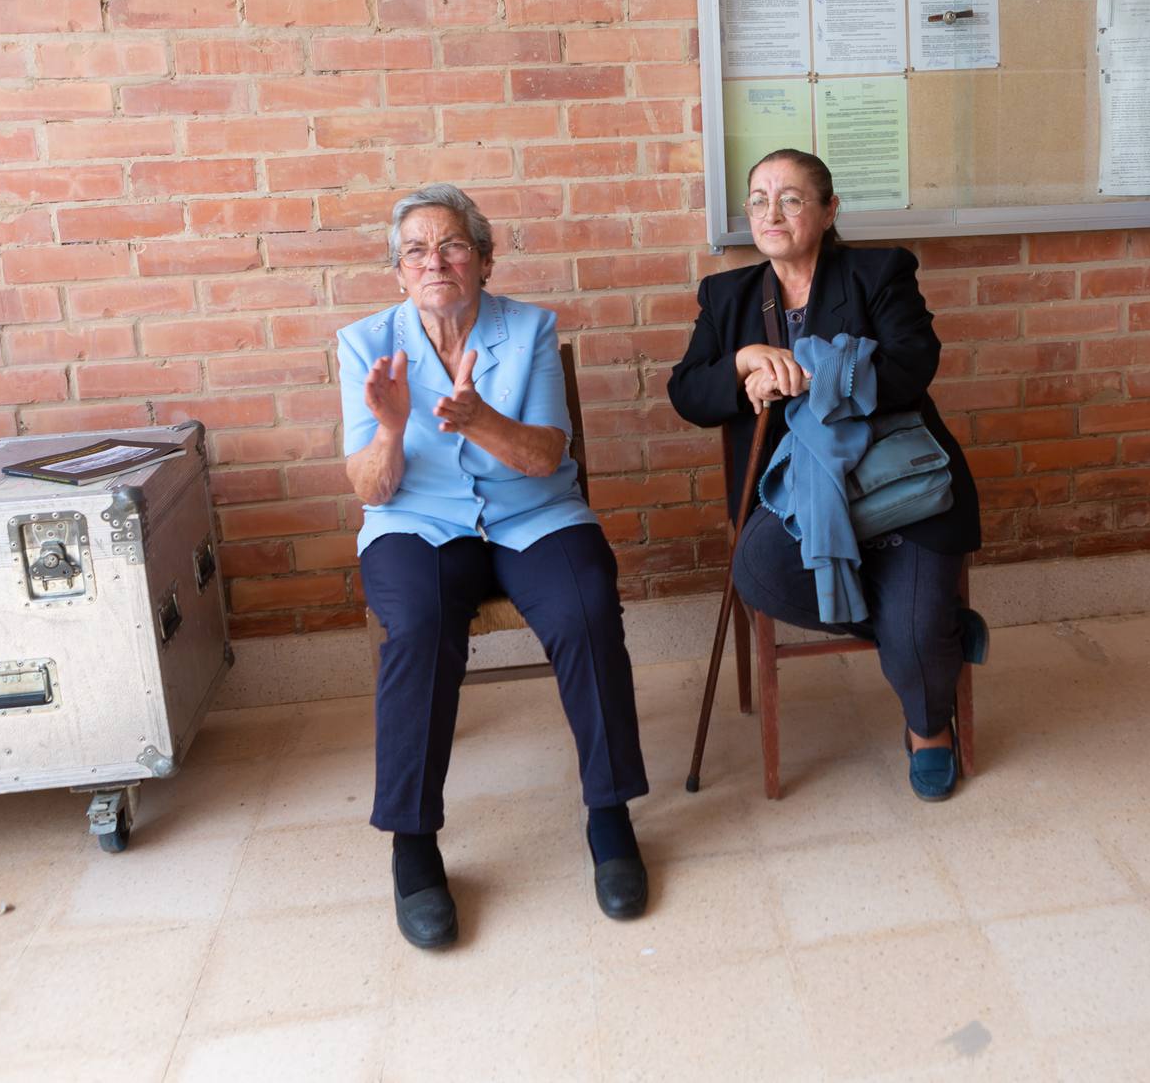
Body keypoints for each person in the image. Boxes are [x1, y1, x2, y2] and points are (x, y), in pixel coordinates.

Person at [339, 184, 649, 949]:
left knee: (584, 611)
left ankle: (609, 819)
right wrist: (390, 428)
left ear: (483, 258)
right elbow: (374, 491)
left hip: (531, 515)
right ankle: (412, 844)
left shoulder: (530, 328)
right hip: (418, 522)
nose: (434, 260)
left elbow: (548, 460)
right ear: (398, 271)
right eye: (416, 249)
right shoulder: (362, 345)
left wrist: (480, 420)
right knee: (417, 625)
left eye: (451, 246)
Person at [668, 149, 984, 800]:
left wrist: (812, 373)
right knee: (758, 571)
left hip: (900, 496)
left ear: (828, 209)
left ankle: (929, 728)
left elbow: (911, 366)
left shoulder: (879, 273)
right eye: (758, 198)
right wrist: (742, 362)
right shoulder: (726, 297)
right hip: (801, 504)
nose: (770, 211)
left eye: (789, 198)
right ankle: (927, 637)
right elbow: (687, 394)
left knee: (917, 628)